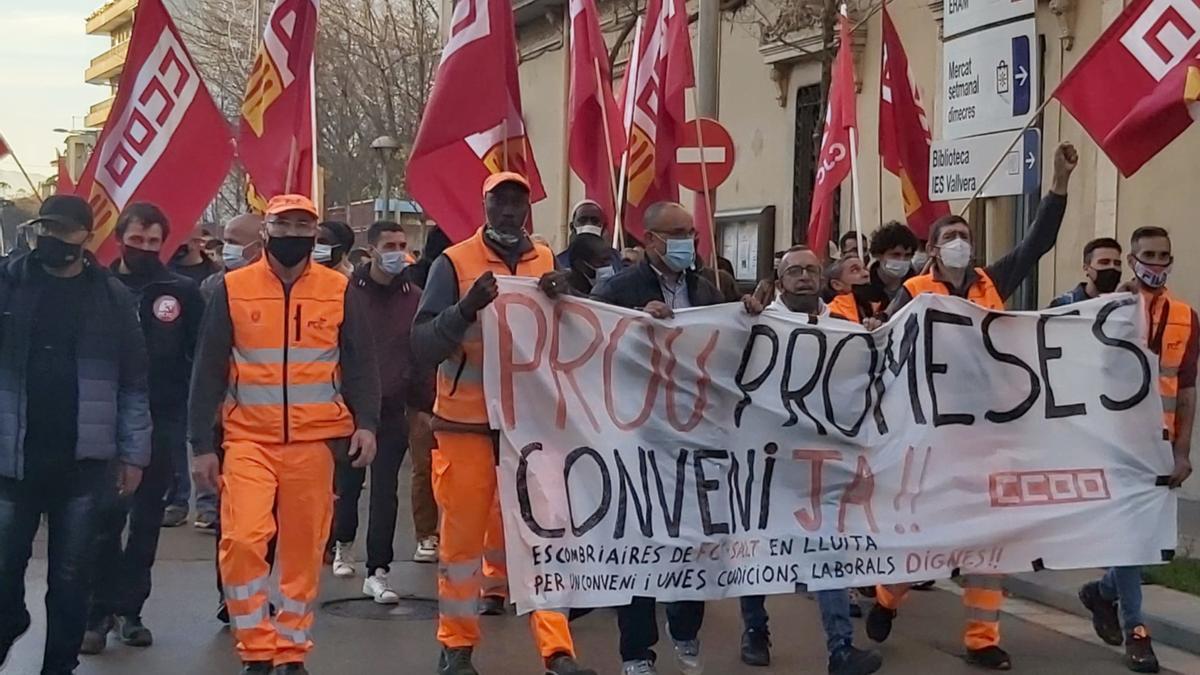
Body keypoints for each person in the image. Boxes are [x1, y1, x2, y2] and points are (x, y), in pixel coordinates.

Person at [866, 141, 1078, 671]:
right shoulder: (914, 291)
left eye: (966, 235)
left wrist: (1058, 183)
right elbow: (887, 346)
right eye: (950, 237)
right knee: (925, 529)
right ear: (932, 249)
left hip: (990, 435)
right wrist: (876, 331)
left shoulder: (992, 281)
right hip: (933, 434)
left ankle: (983, 639)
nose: (960, 242)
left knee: (989, 537)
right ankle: (889, 594)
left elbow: (1038, 243)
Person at [189, 194, 381, 675]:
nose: (293, 234)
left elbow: (360, 365)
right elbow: (208, 371)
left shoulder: (339, 290)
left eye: (303, 225)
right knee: (243, 540)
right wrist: (199, 445)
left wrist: (368, 425)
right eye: (284, 224)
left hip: (315, 444)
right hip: (248, 440)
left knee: (303, 550)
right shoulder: (232, 289)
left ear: (315, 233)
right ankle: (256, 648)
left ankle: (292, 650)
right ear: (266, 230)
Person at [412, 172, 595, 675]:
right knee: (462, 546)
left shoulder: (546, 260)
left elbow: (571, 337)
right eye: (501, 201)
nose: (511, 210)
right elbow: (424, 343)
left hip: (530, 426)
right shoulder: (454, 263)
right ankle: (456, 648)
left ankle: (557, 651)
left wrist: (568, 298)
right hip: (467, 426)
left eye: (519, 201)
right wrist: (465, 309)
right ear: (485, 205)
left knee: (547, 537)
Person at [0, 195, 152, 675]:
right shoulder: (8, 284)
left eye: (65, 232)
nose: (54, 240)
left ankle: (58, 666)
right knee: (3, 572)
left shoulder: (110, 297)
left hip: (84, 464)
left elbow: (132, 382)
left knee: (71, 580)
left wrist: (134, 454)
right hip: (11, 458)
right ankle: (10, 620)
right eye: (48, 228)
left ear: (87, 238)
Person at [591, 202, 721, 675]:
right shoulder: (618, 290)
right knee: (639, 542)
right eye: (678, 233)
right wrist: (631, 322)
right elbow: (592, 348)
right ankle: (637, 651)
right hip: (636, 435)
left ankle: (685, 624)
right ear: (651, 241)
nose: (690, 240)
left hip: (693, 436)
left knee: (694, 538)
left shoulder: (707, 291)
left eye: (692, 231)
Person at [739, 245, 882, 674]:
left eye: (811, 270)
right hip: (765, 456)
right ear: (780, 279)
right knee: (757, 548)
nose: (803, 277)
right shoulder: (757, 323)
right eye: (794, 270)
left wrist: (875, 337)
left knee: (827, 550)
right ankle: (755, 631)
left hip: (821, 458)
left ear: (822, 279)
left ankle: (840, 648)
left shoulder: (843, 326)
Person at [81, 203, 204, 655]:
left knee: (147, 520)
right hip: (102, 417)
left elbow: (198, 354)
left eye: (155, 242)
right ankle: (98, 611)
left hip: (163, 416)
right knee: (103, 520)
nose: (146, 249)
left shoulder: (182, 292)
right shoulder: (96, 286)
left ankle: (131, 611)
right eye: (138, 240)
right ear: (119, 238)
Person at [1076, 226, 1196, 674]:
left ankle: (1101, 592)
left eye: (1164, 255)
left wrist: (1182, 451)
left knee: (1146, 541)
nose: (1157, 263)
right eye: (1148, 255)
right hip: (1114, 442)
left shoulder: (1186, 315)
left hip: (1160, 445)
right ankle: (1137, 632)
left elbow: (1186, 388)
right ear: (1132, 260)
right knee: (1128, 538)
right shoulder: (1106, 310)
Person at [332, 221, 434, 603]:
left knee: (386, 489)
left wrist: (423, 403)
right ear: (371, 249)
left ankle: (379, 571)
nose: (398, 252)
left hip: (393, 405)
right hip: (350, 406)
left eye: (403, 244)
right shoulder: (346, 293)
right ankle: (343, 542)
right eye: (389, 244)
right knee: (348, 482)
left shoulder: (414, 296)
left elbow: (420, 351)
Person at [1049, 237, 1124, 307]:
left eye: (1117, 264)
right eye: (1104, 262)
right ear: (1086, 267)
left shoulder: (1125, 304)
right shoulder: (1063, 304)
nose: (1112, 267)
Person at [555, 200, 622, 270]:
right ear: (572, 227)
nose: (589, 224)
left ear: (604, 226)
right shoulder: (559, 262)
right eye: (582, 220)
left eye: (595, 221)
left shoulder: (618, 260)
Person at [865, 221, 919, 306]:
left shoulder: (917, 286)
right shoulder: (864, 287)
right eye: (896, 254)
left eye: (907, 255)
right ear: (878, 255)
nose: (902, 260)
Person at [825, 254, 875, 323]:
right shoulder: (828, 315)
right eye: (854, 270)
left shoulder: (884, 307)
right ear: (837, 285)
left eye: (865, 268)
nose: (866, 274)